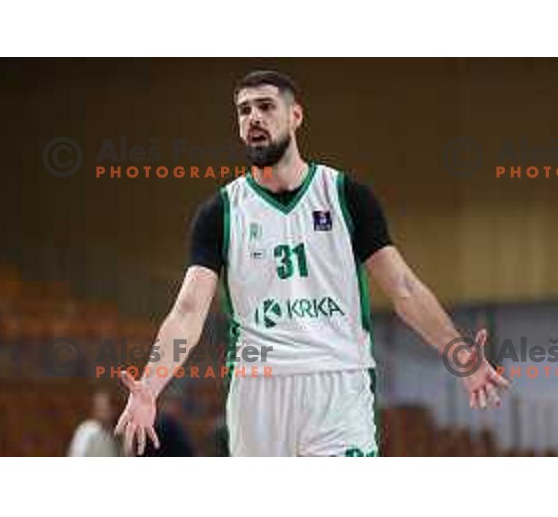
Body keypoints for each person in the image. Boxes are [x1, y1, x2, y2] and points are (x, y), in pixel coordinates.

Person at [114, 70, 510, 457]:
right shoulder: (220, 211)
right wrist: (151, 385)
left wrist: (461, 355)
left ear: (295, 115)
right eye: (243, 110)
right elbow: (187, 311)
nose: (253, 117)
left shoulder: (346, 195)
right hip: (258, 387)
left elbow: (403, 289)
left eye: (265, 106)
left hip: (337, 379)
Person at [68, 389, 120, 456]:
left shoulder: (113, 434)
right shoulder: (86, 431)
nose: (103, 411)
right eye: (100, 407)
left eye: (105, 407)